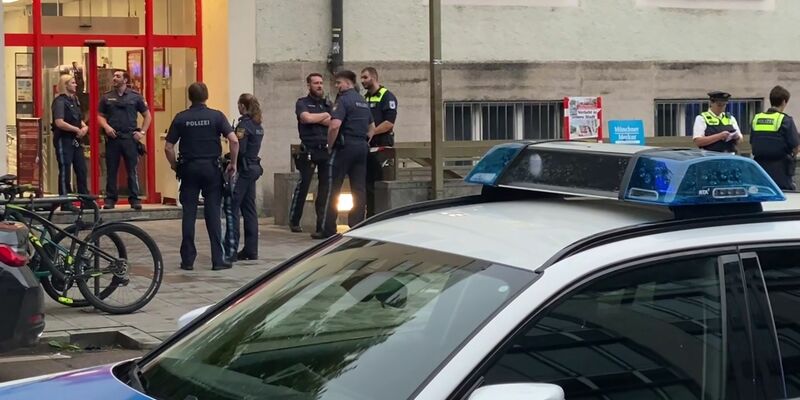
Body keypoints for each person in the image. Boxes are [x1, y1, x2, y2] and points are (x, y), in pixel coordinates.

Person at [164, 82, 239, 271]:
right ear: (206, 96)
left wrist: (174, 165)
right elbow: (234, 140)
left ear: (190, 97)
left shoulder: (181, 118)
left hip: (189, 169)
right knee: (213, 213)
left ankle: (188, 260)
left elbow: (168, 146)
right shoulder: (216, 116)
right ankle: (217, 259)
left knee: (188, 214)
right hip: (211, 169)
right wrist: (233, 163)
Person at [313, 70, 375, 239]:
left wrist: (330, 146)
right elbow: (372, 127)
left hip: (344, 147)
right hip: (361, 147)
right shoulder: (362, 101)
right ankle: (356, 225)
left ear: (348, 83)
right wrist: (365, 141)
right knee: (359, 189)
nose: (337, 86)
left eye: (339, 83)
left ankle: (327, 229)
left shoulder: (343, 100)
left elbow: (334, 126)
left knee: (332, 188)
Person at [98, 70, 151, 210]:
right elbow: (100, 116)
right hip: (113, 137)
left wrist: (142, 132)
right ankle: (110, 199)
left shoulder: (136, 97)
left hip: (129, 138)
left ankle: (134, 199)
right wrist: (106, 127)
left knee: (132, 169)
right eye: (114, 76)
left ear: (125, 80)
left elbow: (147, 116)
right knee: (111, 170)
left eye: (118, 76)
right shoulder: (106, 97)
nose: (114, 78)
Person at [289, 73, 332, 234]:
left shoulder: (328, 104)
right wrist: (324, 117)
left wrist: (319, 117)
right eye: (316, 83)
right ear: (309, 85)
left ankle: (321, 224)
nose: (319, 86)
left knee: (325, 189)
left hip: (325, 149)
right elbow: (306, 118)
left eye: (321, 83)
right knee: (303, 186)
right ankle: (294, 220)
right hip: (309, 149)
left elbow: (333, 121)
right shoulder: (302, 103)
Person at [224, 93, 265, 262]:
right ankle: (251, 249)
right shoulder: (258, 125)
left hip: (245, 169)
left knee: (232, 207)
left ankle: (231, 250)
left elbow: (240, 149)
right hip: (254, 167)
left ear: (242, 106)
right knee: (249, 209)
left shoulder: (243, 126)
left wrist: (229, 158)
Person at [360, 67, 398, 217]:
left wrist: (372, 132)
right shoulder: (365, 98)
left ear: (374, 78)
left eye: (365, 77)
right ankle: (370, 215)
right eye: (361, 78)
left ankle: (381, 216)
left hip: (382, 146)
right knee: (368, 184)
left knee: (380, 183)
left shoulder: (387, 96)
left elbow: (389, 123)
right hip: (368, 146)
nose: (362, 81)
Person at [750, 85, 800, 190]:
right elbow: (796, 147)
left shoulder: (757, 118)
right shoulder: (785, 120)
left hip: (760, 169)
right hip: (781, 170)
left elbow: (752, 142)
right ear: (784, 102)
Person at [51, 74, 89, 210]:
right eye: (72, 83)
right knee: (65, 170)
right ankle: (65, 202)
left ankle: (86, 200)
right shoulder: (60, 102)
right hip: (64, 140)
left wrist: (84, 127)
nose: (76, 85)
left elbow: (78, 118)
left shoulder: (75, 100)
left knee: (81, 169)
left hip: (76, 140)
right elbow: (59, 122)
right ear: (65, 85)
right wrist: (76, 129)